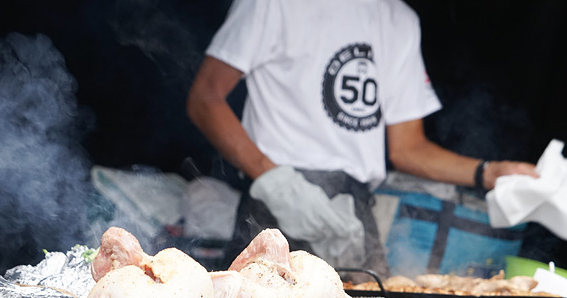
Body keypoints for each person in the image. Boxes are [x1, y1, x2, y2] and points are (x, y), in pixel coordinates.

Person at [187, 0, 538, 277]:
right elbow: (205, 99)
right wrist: (276, 182)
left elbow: (408, 148)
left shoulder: (398, 19)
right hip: (278, 199)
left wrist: (489, 173)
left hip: (355, 211)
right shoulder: (274, 3)